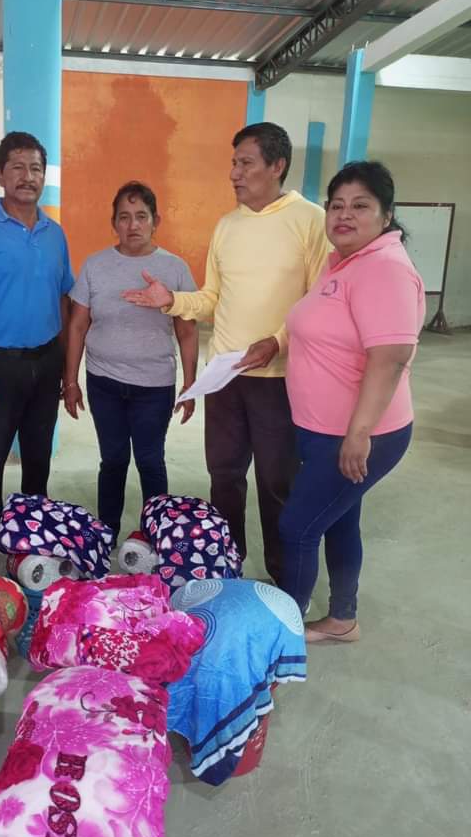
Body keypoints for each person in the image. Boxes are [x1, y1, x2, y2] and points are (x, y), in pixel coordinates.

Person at [122, 123, 328, 583]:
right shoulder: (227, 225)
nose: (234, 173)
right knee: (224, 477)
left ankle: (285, 581)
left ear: (277, 166)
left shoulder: (310, 221)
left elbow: (319, 301)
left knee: (277, 484)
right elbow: (212, 297)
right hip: (225, 377)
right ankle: (227, 571)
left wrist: (277, 341)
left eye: (245, 163)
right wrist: (172, 301)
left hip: (279, 379)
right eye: (233, 163)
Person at [279, 161, 425, 642]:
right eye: (336, 205)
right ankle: (342, 618)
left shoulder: (385, 269)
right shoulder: (342, 262)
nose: (344, 215)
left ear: (386, 215)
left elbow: (390, 359)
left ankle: (282, 636)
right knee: (339, 519)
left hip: (360, 434)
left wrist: (358, 433)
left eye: (360, 205)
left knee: (298, 527)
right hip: (324, 429)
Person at [0, 131, 73, 563]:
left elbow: (64, 300)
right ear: (0, 174)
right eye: (18, 167)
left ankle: (29, 552)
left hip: (46, 361)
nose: (28, 176)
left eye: (36, 168)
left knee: (38, 462)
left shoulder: (54, 234)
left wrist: (66, 368)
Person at [64, 181, 199, 544]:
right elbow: (77, 326)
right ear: (114, 223)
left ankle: (157, 536)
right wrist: (71, 381)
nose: (133, 225)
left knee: (150, 461)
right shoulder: (95, 265)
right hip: (103, 381)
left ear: (156, 221)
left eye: (141, 216)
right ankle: (106, 533)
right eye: (124, 217)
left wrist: (191, 384)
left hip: (154, 386)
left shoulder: (174, 268)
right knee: (113, 460)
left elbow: (187, 331)